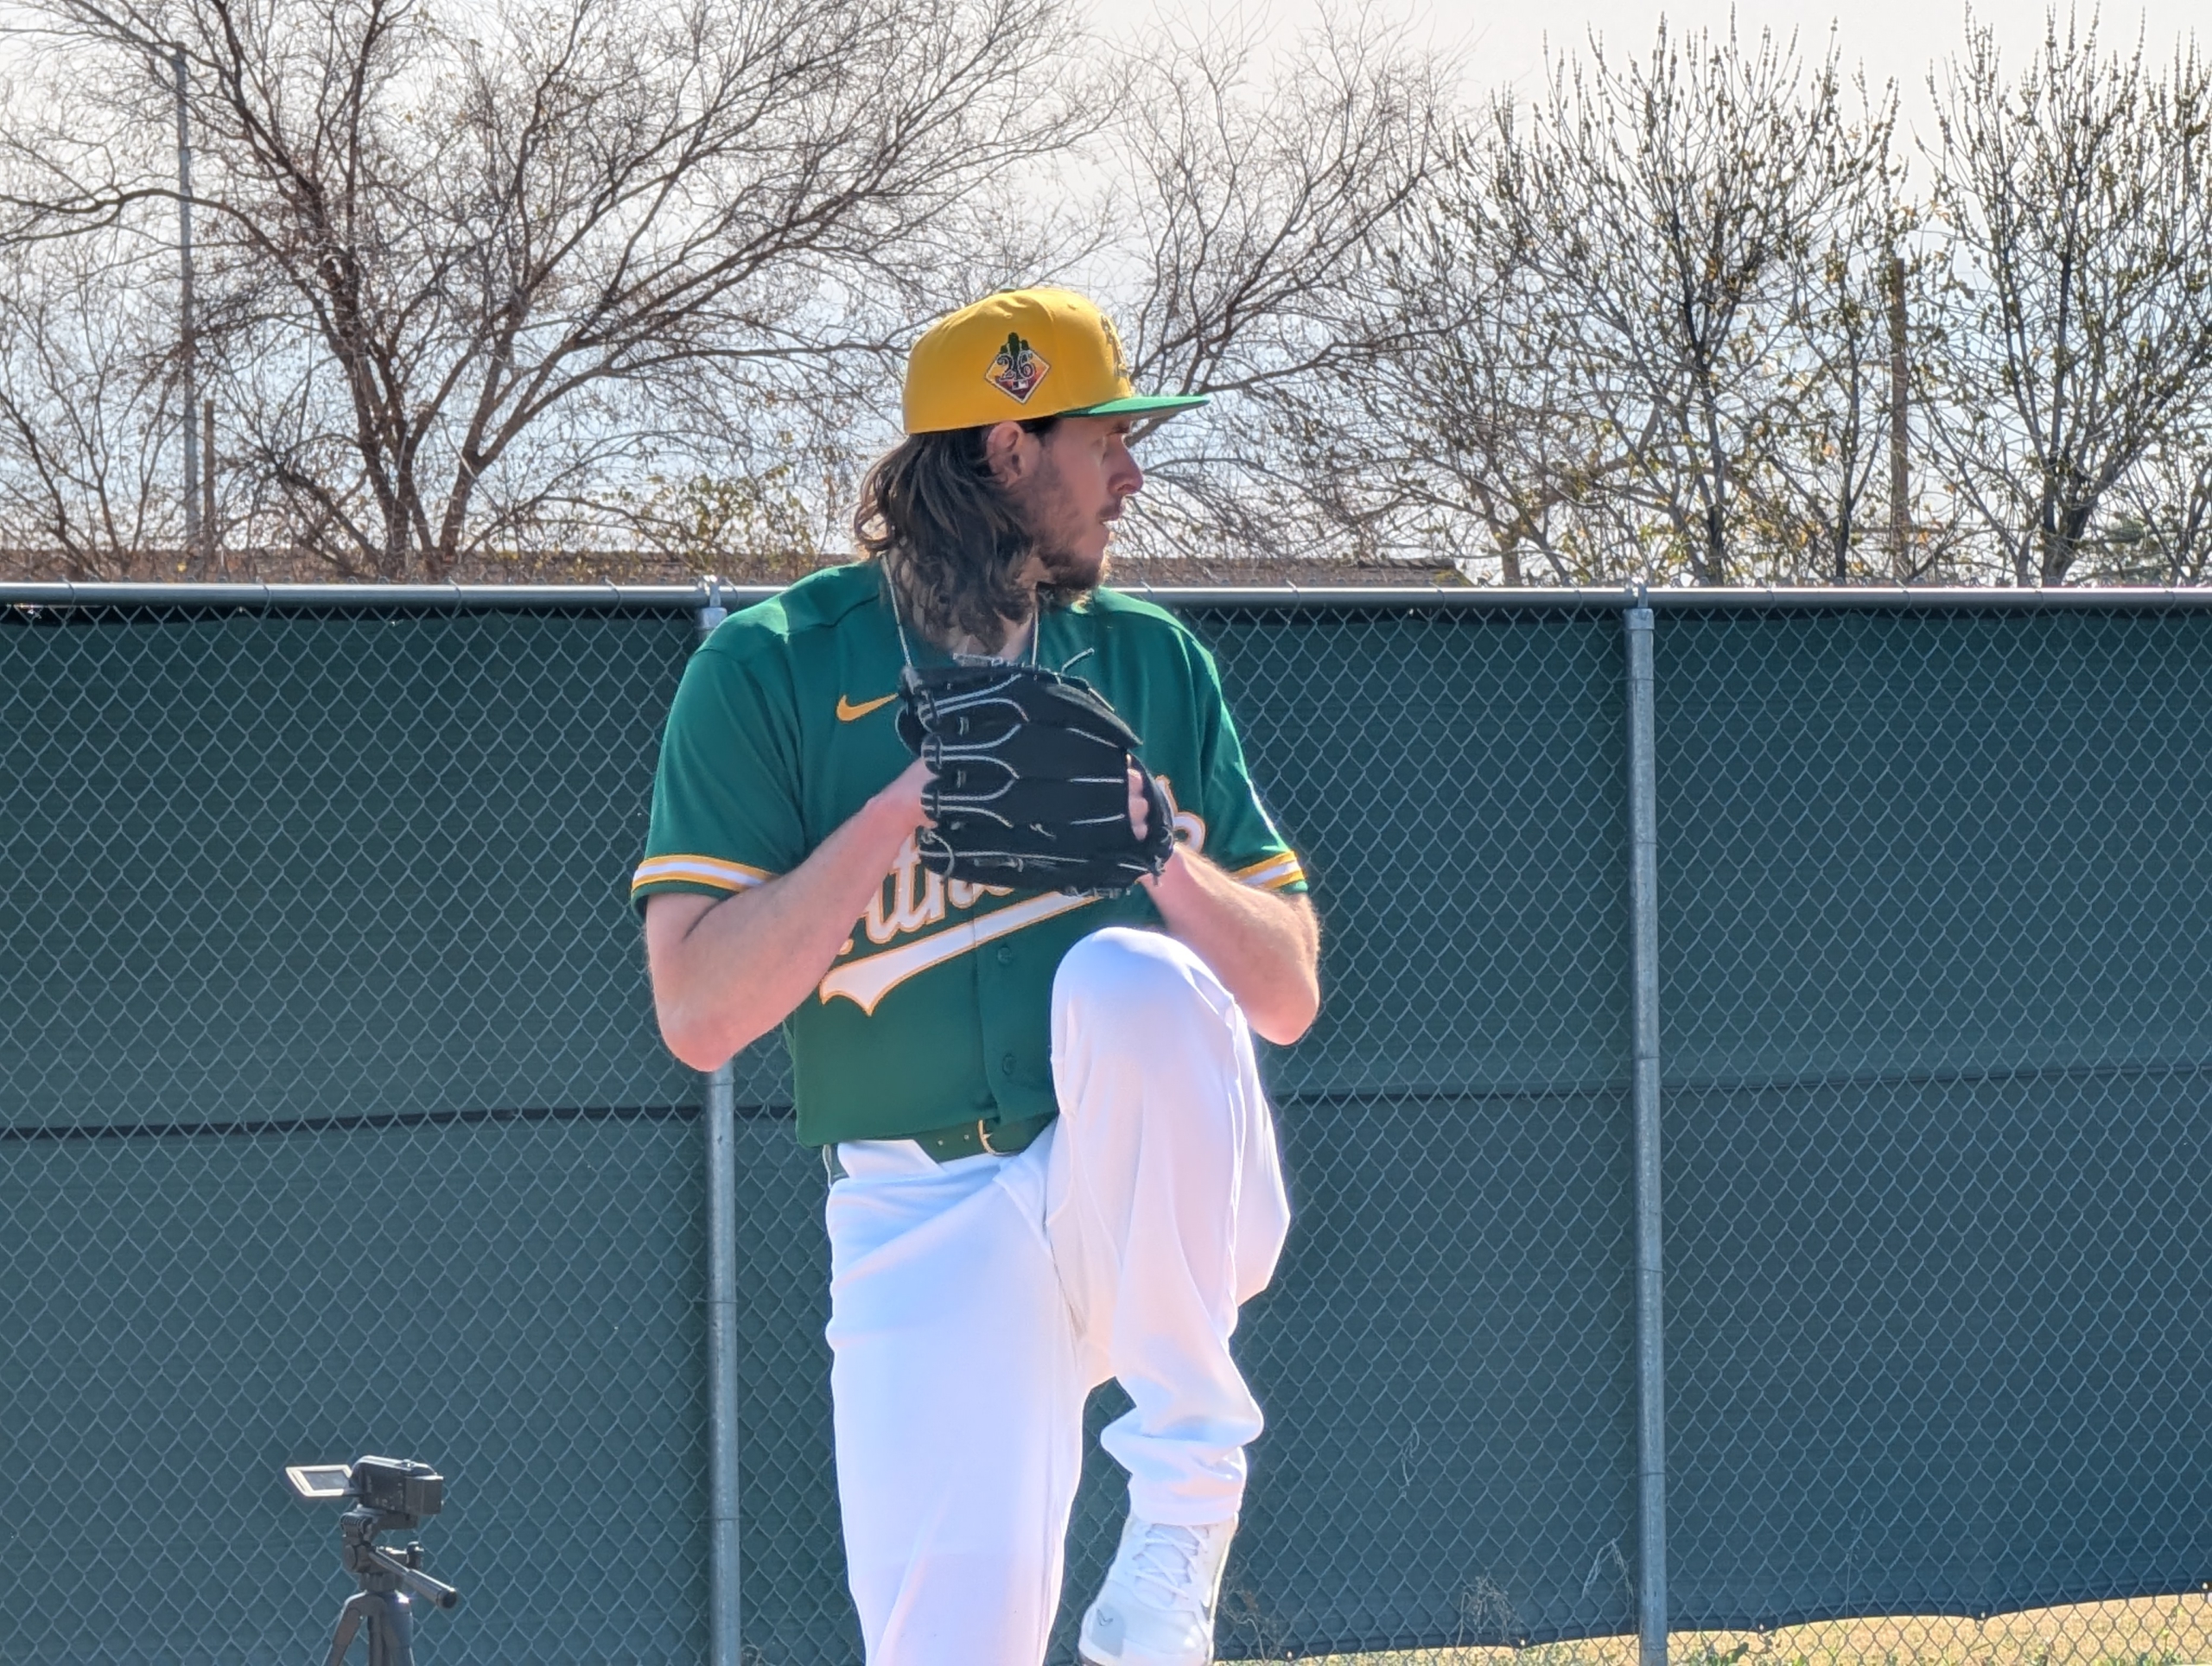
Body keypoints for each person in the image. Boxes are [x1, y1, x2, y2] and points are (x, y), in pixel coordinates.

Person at [632, 286, 1320, 1666]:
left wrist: (1163, 859)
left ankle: (1184, 1511)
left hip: (1140, 1196)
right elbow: (699, 1015)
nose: (1133, 469)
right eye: (1102, 436)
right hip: (920, 1209)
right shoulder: (770, 668)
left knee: (1131, 980)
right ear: (1007, 451)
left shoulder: (1145, 657)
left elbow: (1287, 993)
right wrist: (902, 806)